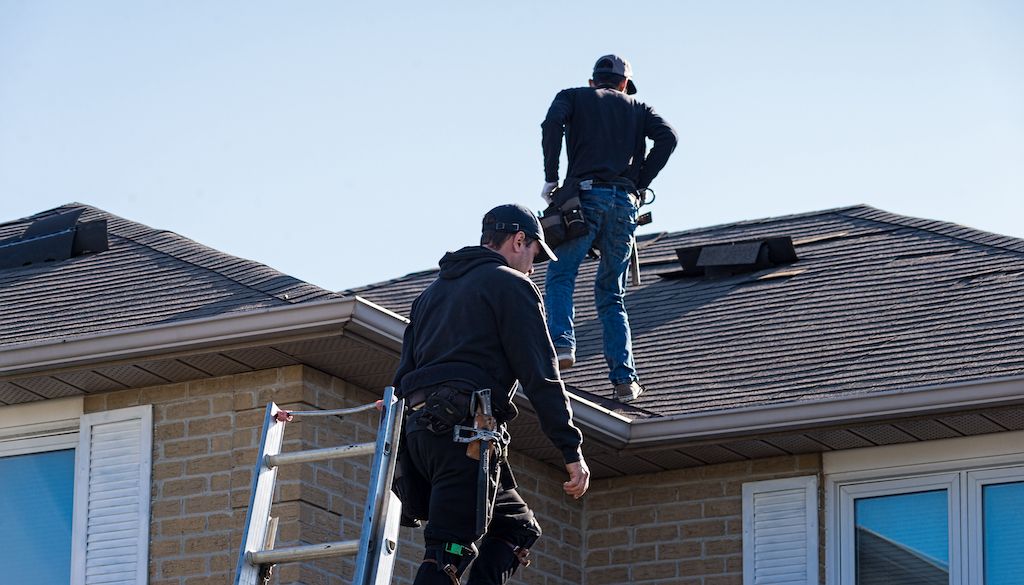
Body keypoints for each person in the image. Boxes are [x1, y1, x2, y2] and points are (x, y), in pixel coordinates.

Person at [393, 203, 591, 585]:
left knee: (516, 527)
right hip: (464, 436)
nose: (534, 267)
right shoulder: (512, 286)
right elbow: (542, 377)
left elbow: (402, 378)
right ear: (520, 240)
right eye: (535, 254)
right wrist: (571, 450)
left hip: (423, 436)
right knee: (448, 551)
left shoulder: (430, 296)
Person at [540, 54, 678, 402]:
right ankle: (624, 381)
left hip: (585, 198)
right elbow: (669, 138)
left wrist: (551, 178)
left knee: (561, 274)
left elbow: (551, 124)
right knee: (611, 293)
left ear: (593, 81)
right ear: (623, 84)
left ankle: (561, 346)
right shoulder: (639, 108)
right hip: (624, 205)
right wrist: (639, 180)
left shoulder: (573, 96)